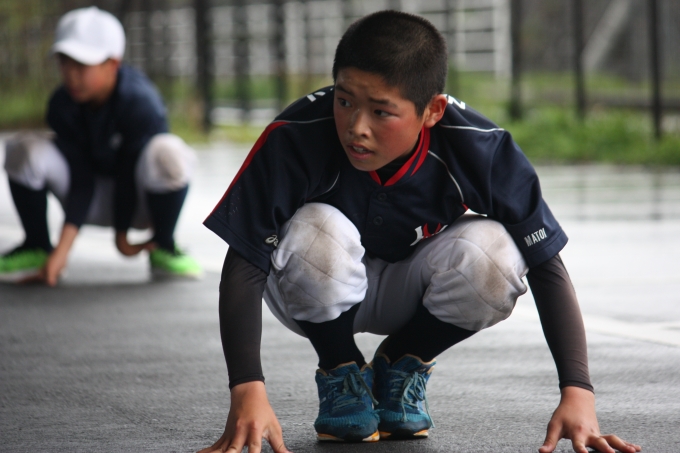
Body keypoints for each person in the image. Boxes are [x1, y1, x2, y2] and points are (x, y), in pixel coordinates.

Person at [200, 10, 640, 453]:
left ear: (432, 111)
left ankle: (401, 362)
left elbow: (547, 266)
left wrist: (578, 392)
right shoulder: (295, 136)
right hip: (310, 289)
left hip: (408, 290)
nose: (356, 127)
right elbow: (244, 262)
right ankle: (340, 369)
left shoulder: (480, 146)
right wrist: (247, 389)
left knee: (499, 253)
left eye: (381, 112)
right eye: (345, 100)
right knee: (315, 226)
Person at [0, 6, 201, 284]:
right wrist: (62, 252)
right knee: (24, 148)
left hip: (138, 202)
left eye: (81, 65)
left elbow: (130, 172)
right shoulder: (61, 105)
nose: (71, 74)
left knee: (168, 152)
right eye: (64, 62)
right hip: (87, 197)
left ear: (112, 64)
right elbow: (80, 176)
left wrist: (122, 237)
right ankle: (36, 246)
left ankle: (163, 245)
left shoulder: (141, 102)